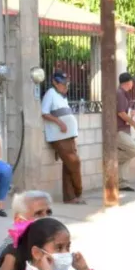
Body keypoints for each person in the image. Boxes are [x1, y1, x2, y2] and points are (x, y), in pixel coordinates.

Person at [40, 71, 84, 204]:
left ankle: (70, 197)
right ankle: (79, 190)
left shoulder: (62, 96)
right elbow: (44, 113)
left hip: (69, 136)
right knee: (74, 162)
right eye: (62, 84)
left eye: (66, 83)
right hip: (59, 136)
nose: (65, 86)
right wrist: (60, 122)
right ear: (55, 82)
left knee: (68, 166)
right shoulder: (50, 94)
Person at [115, 73, 135, 193]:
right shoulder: (119, 93)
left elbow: (128, 108)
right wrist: (134, 124)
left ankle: (122, 183)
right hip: (118, 130)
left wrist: (133, 111)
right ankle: (111, 161)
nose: (133, 84)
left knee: (127, 155)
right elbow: (121, 113)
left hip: (125, 129)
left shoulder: (125, 94)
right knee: (134, 150)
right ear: (127, 82)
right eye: (132, 81)